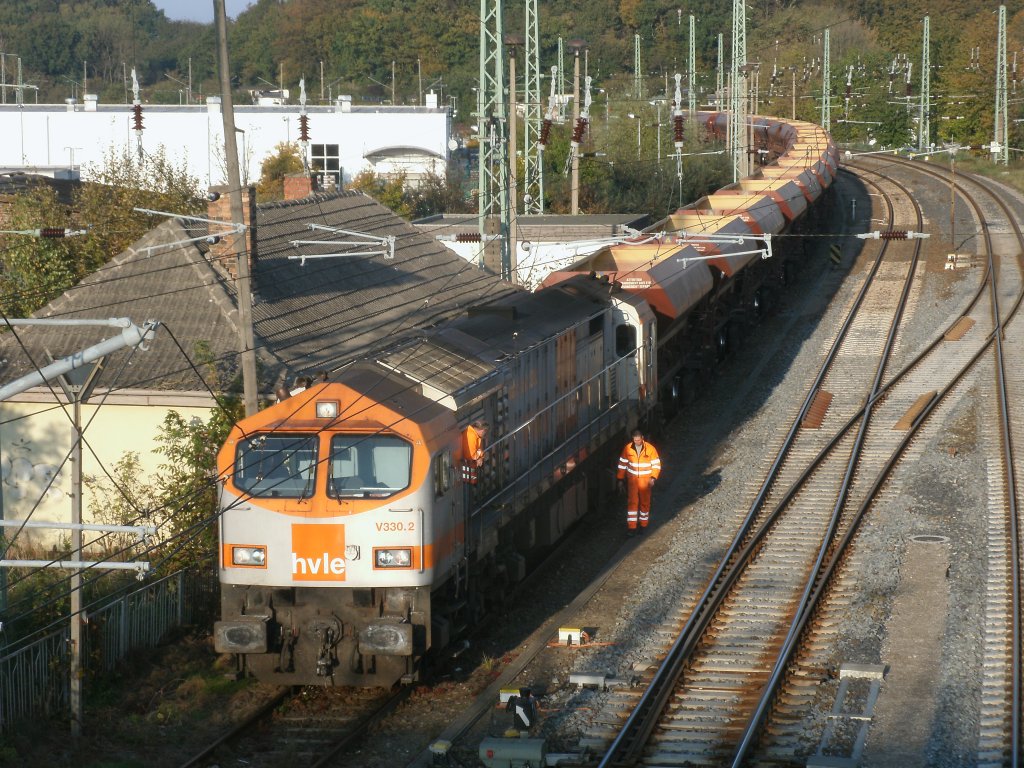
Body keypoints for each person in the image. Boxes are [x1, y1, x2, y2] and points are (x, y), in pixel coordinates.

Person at [616, 428, 661, 535]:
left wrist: (653, 478)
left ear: (642, 438)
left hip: (645, 481)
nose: (637, 442)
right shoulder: (628, 449)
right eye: (635, 440)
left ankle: (643, 524)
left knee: (645, 503)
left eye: (638, 440)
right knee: (632, 503)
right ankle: (632, 527)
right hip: (632, 481)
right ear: (633, 439)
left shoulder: (650, 449)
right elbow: (622, 464)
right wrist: (620, 479)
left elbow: (656, 465)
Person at [461, 420, 488, 485]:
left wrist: (480, 456)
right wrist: (481, 454)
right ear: (482, 430)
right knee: (468, 486)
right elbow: (472, 456)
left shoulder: (473, 434)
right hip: (467, 469)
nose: (485, 434)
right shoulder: (471, 436)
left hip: (470, 467)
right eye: (485, 432)